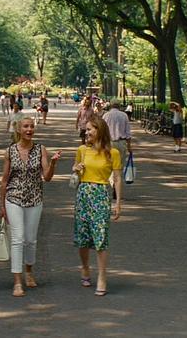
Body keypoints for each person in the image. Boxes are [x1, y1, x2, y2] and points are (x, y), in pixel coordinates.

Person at [0, 117, 61, 297]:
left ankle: (29, 271)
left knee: (30, 240)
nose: (29, 129)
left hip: (34, 198)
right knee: (17, 239)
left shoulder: (41, 149)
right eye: (26, 126)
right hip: (14, 198)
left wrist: (53, 163)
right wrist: (2, 205)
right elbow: (4, 180)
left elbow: (47, 177)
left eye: (32, 126)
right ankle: (17, 281)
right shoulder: (10, 151)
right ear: (19, 129)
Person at [71, 116, 123, 296]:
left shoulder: (113, 153)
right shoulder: (82, 150)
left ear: (99, 130)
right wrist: (76, 169)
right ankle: (85, 266)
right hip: (83, 193)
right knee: (83, 235)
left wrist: (118, 203)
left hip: (101, 195)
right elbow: (75, 170)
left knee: (101, 236)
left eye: (89, 129)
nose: (86, 132)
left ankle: (102, 276)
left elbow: (117, 178)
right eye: (85, 130)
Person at [102, 101, 133, 171]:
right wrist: (129, 146)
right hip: (121, 142)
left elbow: (102, 130)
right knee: (120, 164)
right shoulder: (124, 115)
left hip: (109, 143)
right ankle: (118, 177)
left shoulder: (106, 115)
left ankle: (111, 177)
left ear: (110, 106)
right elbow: (128, 132)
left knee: (109, 163)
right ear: (119, 106)